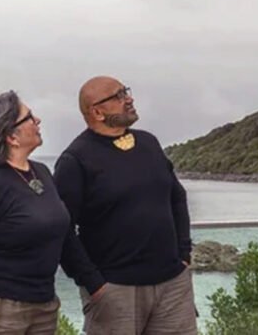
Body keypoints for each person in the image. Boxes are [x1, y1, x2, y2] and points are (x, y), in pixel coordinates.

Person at [0, 91, 104, 334]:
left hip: (43, 306)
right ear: (11, 136)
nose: (38, 121)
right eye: (30, 117)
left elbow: (63, 234)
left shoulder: (41, 172)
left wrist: (93, 282)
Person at [54, 76, 196, 335]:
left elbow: (176, 196)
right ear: (97, 111)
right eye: (118, 96)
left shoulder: (149, 143)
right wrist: (92, 283)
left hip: (173, 284)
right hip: (114, 289)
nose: (128, 99)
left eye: (126, 92)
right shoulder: (75, 159)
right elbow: (62, 230)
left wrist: (184, 254)